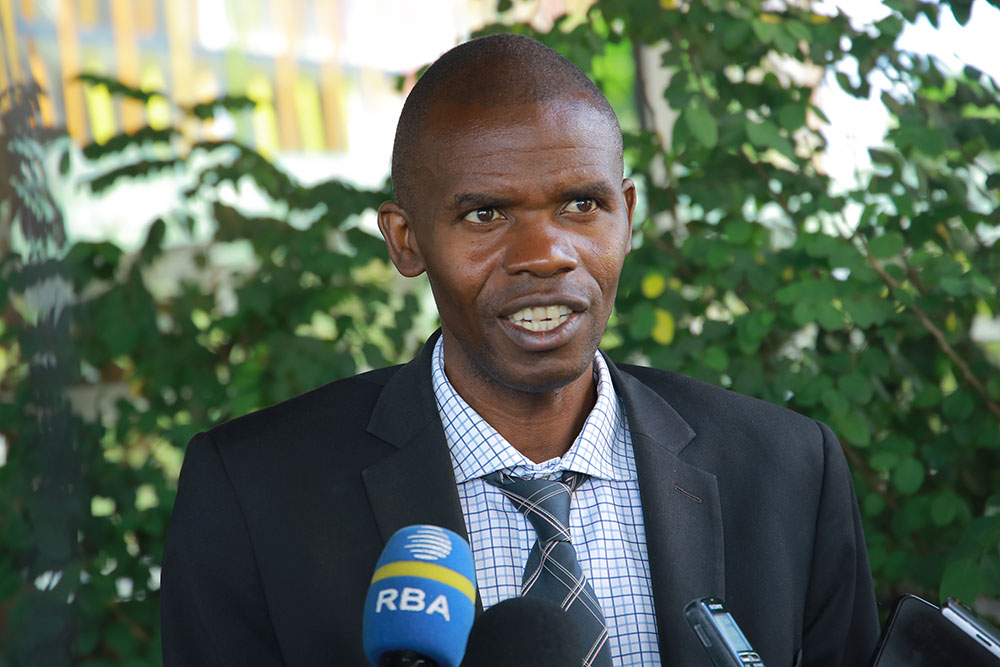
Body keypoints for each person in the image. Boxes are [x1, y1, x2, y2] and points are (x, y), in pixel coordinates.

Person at [161, 33, 879, 666]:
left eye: (581, 205)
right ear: (405, 240)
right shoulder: (255, 494)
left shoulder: (789, 471)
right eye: (485, 213)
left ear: (627, 213)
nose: (545, 254)